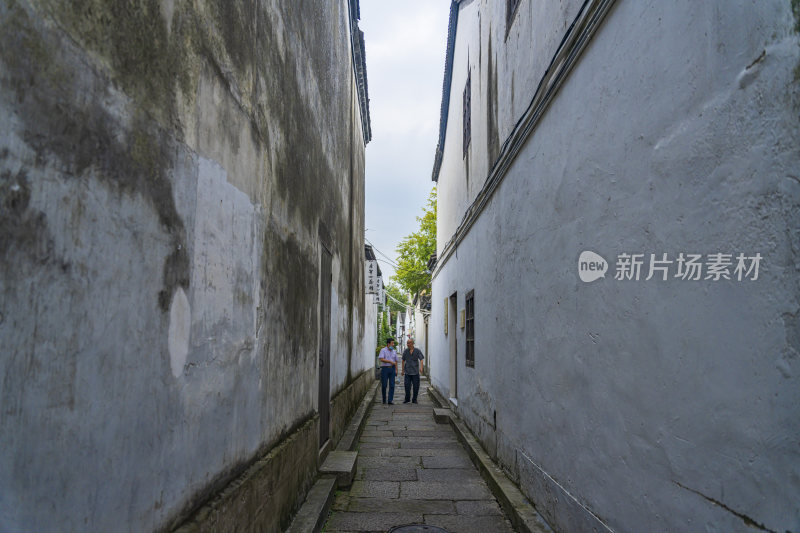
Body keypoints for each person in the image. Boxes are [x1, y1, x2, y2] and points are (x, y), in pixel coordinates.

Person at [401, 338, 424, 404]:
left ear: (412, 343)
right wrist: (402, 370)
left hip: (415, 372)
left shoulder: (417, 351)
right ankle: (407, 399)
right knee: (407, 386)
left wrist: (421, 368)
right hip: (407, 372)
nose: (408, 344)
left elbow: (421, 359)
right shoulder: (405, 351)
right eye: (407, 343)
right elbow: (403, 360)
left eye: (409, 343)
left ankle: (414, 399)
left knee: (416, 386)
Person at [377, 337, 399, 405]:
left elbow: (396, 361)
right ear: (388, 344)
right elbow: (381, 359)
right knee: (384, 385)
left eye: (393, 343)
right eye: (392, 343)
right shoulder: (383, 350)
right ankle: (384, 399)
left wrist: (396, 370)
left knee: (392, 385)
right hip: (385, 369)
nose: (393, 344)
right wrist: (390, 361)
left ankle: (390, 400)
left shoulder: (394, 351)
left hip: (392, 369)